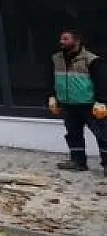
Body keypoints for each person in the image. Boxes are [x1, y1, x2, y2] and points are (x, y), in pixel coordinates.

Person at [48, 28, 107, 172]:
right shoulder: (56, 58)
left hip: (89, 105)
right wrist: (52, 96)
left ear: (77, 40)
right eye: (61, 39)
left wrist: (101, 101)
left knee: (103, 135)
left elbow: (102, 82)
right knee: (73, 134)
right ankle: (78, 161)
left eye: (66, 39)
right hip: (68, 104)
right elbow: (50, 79)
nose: (61, 42)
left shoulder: (92, 60)